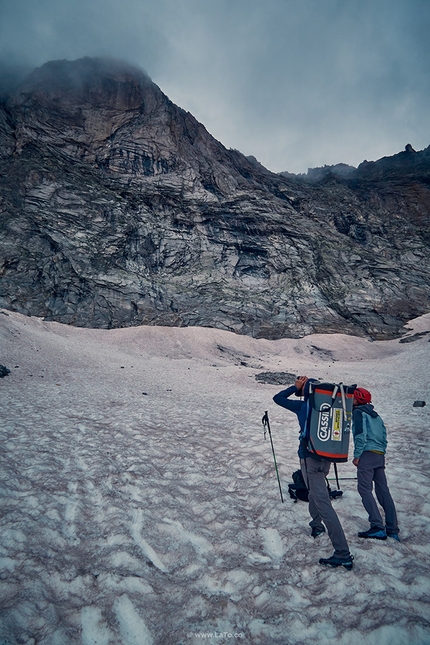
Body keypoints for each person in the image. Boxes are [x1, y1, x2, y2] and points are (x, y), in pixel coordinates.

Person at [273, 375, 354, 570]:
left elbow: (278, 398)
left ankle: (342, 553)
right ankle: (316, 526)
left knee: (323, 502)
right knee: (315, 494)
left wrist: (294, 387)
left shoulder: (303, 407)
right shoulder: (329, 407)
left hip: (309, 459)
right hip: (326, 459)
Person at [352, 388, 400, 541]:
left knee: (364, 489)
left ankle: (377, 527)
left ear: (357, 400)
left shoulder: (359, 413)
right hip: (379, 455)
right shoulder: (377, 416)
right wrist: (382, 451)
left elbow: (360, 435)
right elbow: (384, 436)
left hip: (367, 454)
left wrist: (357, 455)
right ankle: (392, 529)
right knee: (383, 491)